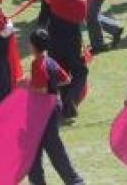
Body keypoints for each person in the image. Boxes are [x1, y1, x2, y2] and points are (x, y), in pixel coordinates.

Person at [26, 28, 84, 185]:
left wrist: (25, 85)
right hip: (53, 107)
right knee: (42, 148)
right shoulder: (50, 61)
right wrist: (51, 85)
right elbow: (66, 80)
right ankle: (73, 181)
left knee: (44, 149)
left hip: (42, 112)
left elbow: (41, 89)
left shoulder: (37, 64)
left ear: (32, 46)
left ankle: (73, 181)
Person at [38, 0, 88, 120]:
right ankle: (70, 100)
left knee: (61, 73)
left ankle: (65, 106)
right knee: (80, 72)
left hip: (54, 41)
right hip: (73, 42)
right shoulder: (81, 2)